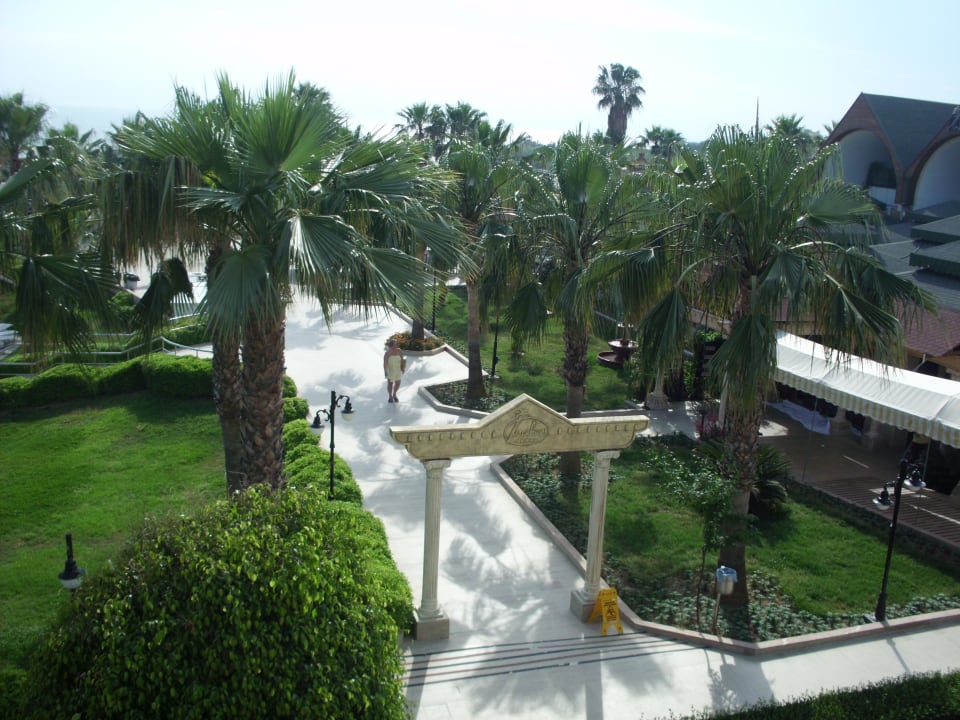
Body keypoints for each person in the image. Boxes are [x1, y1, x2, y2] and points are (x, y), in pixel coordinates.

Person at [383, 338, 405, 403]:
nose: (396, 345)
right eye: (395, 344)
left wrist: (403, 368)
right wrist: (385, 372)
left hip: (398, 369)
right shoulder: (387, 353)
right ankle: (390, 396)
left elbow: (402, 360)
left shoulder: (399, 351)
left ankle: (394, 394)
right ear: (391, 345)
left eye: (396, 344)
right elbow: (385, 363)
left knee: (398, 383)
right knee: (390, 383)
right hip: (390, 370)